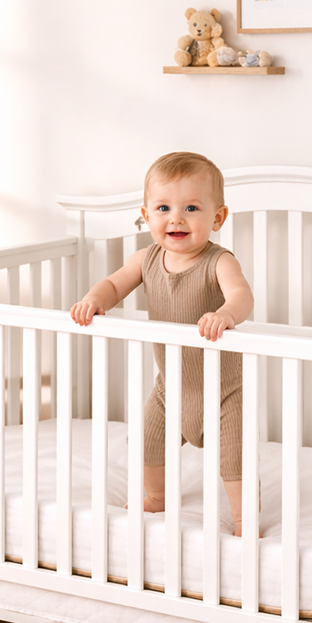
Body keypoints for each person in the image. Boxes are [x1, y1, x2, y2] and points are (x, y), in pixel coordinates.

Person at [70, 151, 254, 535]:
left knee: (233, 459)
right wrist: (94, 300)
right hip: (169, 389)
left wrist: (225, 314)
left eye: (191, 207)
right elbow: (114, 284)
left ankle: (242, 517)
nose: (176, 218)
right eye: (164, 207)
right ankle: (157, 498)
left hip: (222, 392)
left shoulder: (218, 261)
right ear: (147, 214)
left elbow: (242, 296)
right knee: (149, 444)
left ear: (217, 217)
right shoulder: (145, 259)